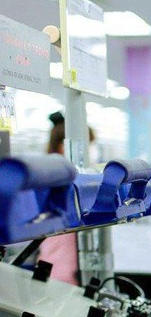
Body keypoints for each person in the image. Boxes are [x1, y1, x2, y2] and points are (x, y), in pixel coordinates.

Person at [38, 111, 95, 285]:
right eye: (87, 147)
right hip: (61, 272)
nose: (90, 153)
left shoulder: (53, 177)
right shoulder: (60, 183)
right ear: (66, 147)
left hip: (55, 267)